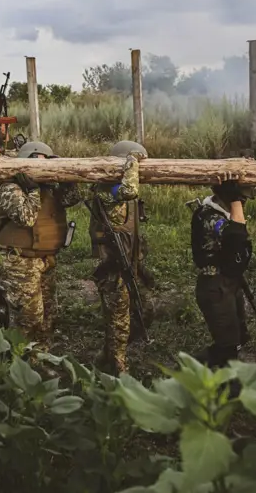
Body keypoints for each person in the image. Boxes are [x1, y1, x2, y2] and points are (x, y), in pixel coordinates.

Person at [0, 141, 81, 351]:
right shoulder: (9, 189)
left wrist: (65, 177)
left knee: (48, 316)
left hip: (46, 260)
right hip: (20, 263)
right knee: (28, 319)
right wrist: (32, 190)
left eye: (45, 163)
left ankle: (40, 358)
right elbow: (26, 217)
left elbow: (72, 198)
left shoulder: (49, 188)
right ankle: (20, 366)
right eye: (37, 163)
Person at [87, 140, 150, 375]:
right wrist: (132, 163)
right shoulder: (106, 189)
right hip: (111, 262)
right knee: (118, 314)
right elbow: (129, 191)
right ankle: (118, 363)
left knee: (138, 309)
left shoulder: (115, 186)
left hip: (129, 258)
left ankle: (109, 353)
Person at [189, 173, 256, 370]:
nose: (242, 205)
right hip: (215, 287)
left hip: (228, 283)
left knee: (239, 337)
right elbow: (237, 238)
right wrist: (234, 199)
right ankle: (229, 391)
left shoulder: (222, 213)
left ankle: (193, 366)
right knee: (229, 349)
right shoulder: (209, 217)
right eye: (240, 199)